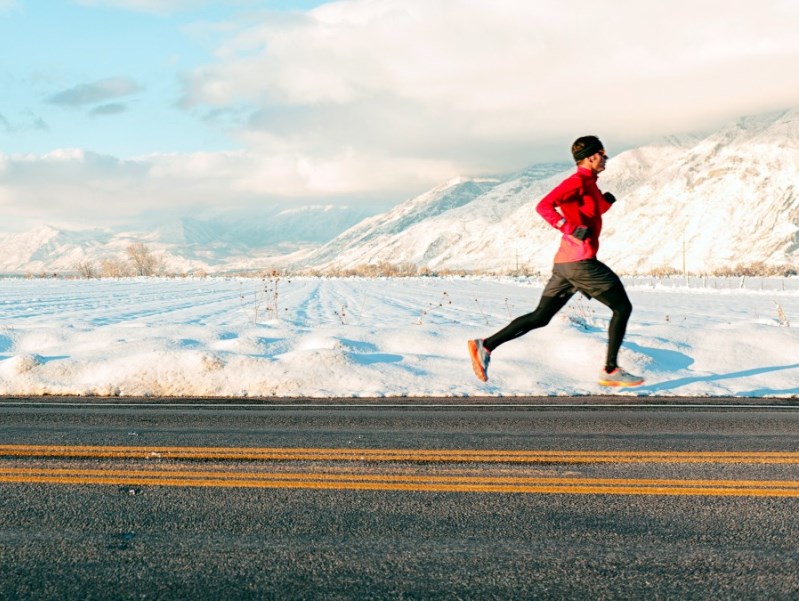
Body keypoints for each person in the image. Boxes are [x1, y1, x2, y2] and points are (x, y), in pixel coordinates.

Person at [468, 135, 644, 387]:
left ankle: (485, 345)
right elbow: (544, 206)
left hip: (565, 264)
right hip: (580, 262)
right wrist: (568, 227)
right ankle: (611, 369)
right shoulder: (577, 181)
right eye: (602, 154)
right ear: (591, 156)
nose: (606, 158)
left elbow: (589, 212)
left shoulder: (590, 184)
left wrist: (605, 202)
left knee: (540, 317)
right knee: (622, 308)